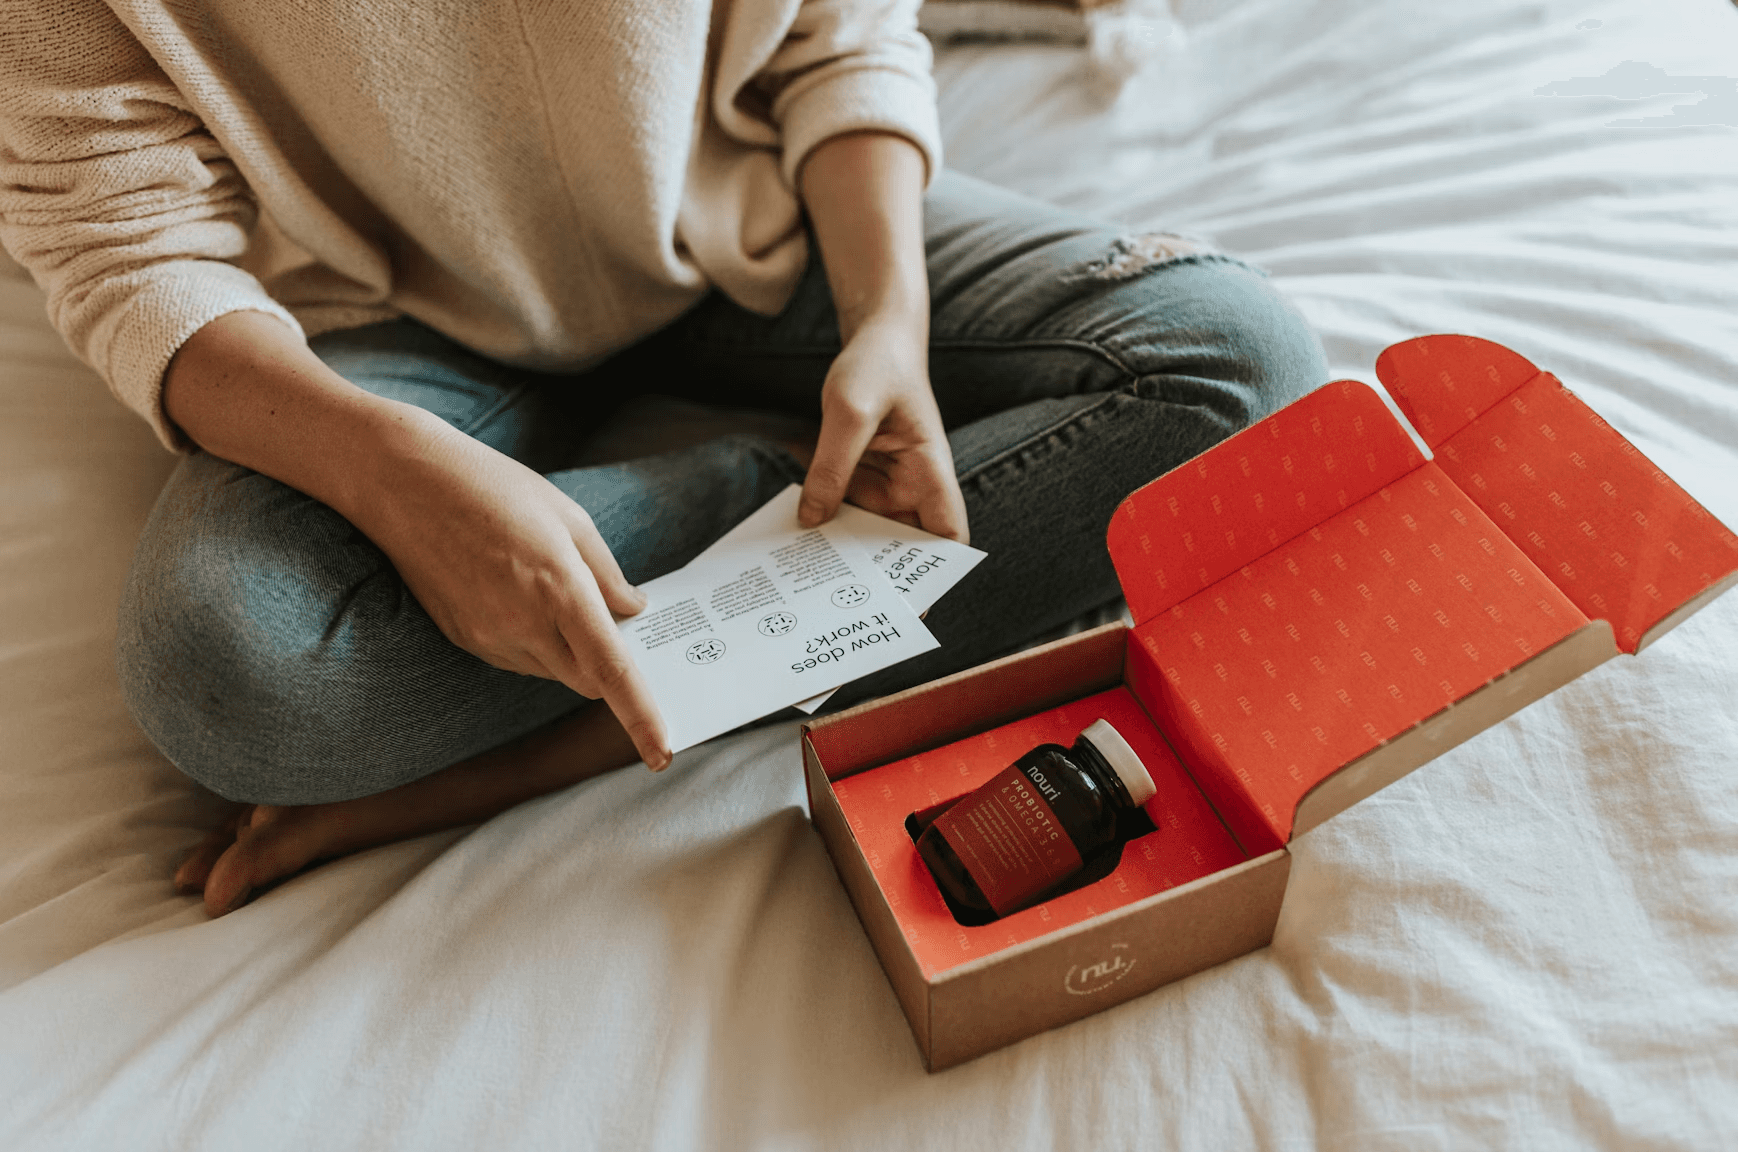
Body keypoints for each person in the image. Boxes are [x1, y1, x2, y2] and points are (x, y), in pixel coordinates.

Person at [0, 0, 1327, 918]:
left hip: (746, 219)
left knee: (1241, 370)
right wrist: (400, 478)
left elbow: (840, 31)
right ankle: (767, 490)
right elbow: (125, 250)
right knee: (226, 676)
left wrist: (887, 323)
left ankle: (543, 749)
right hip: (375, 321)